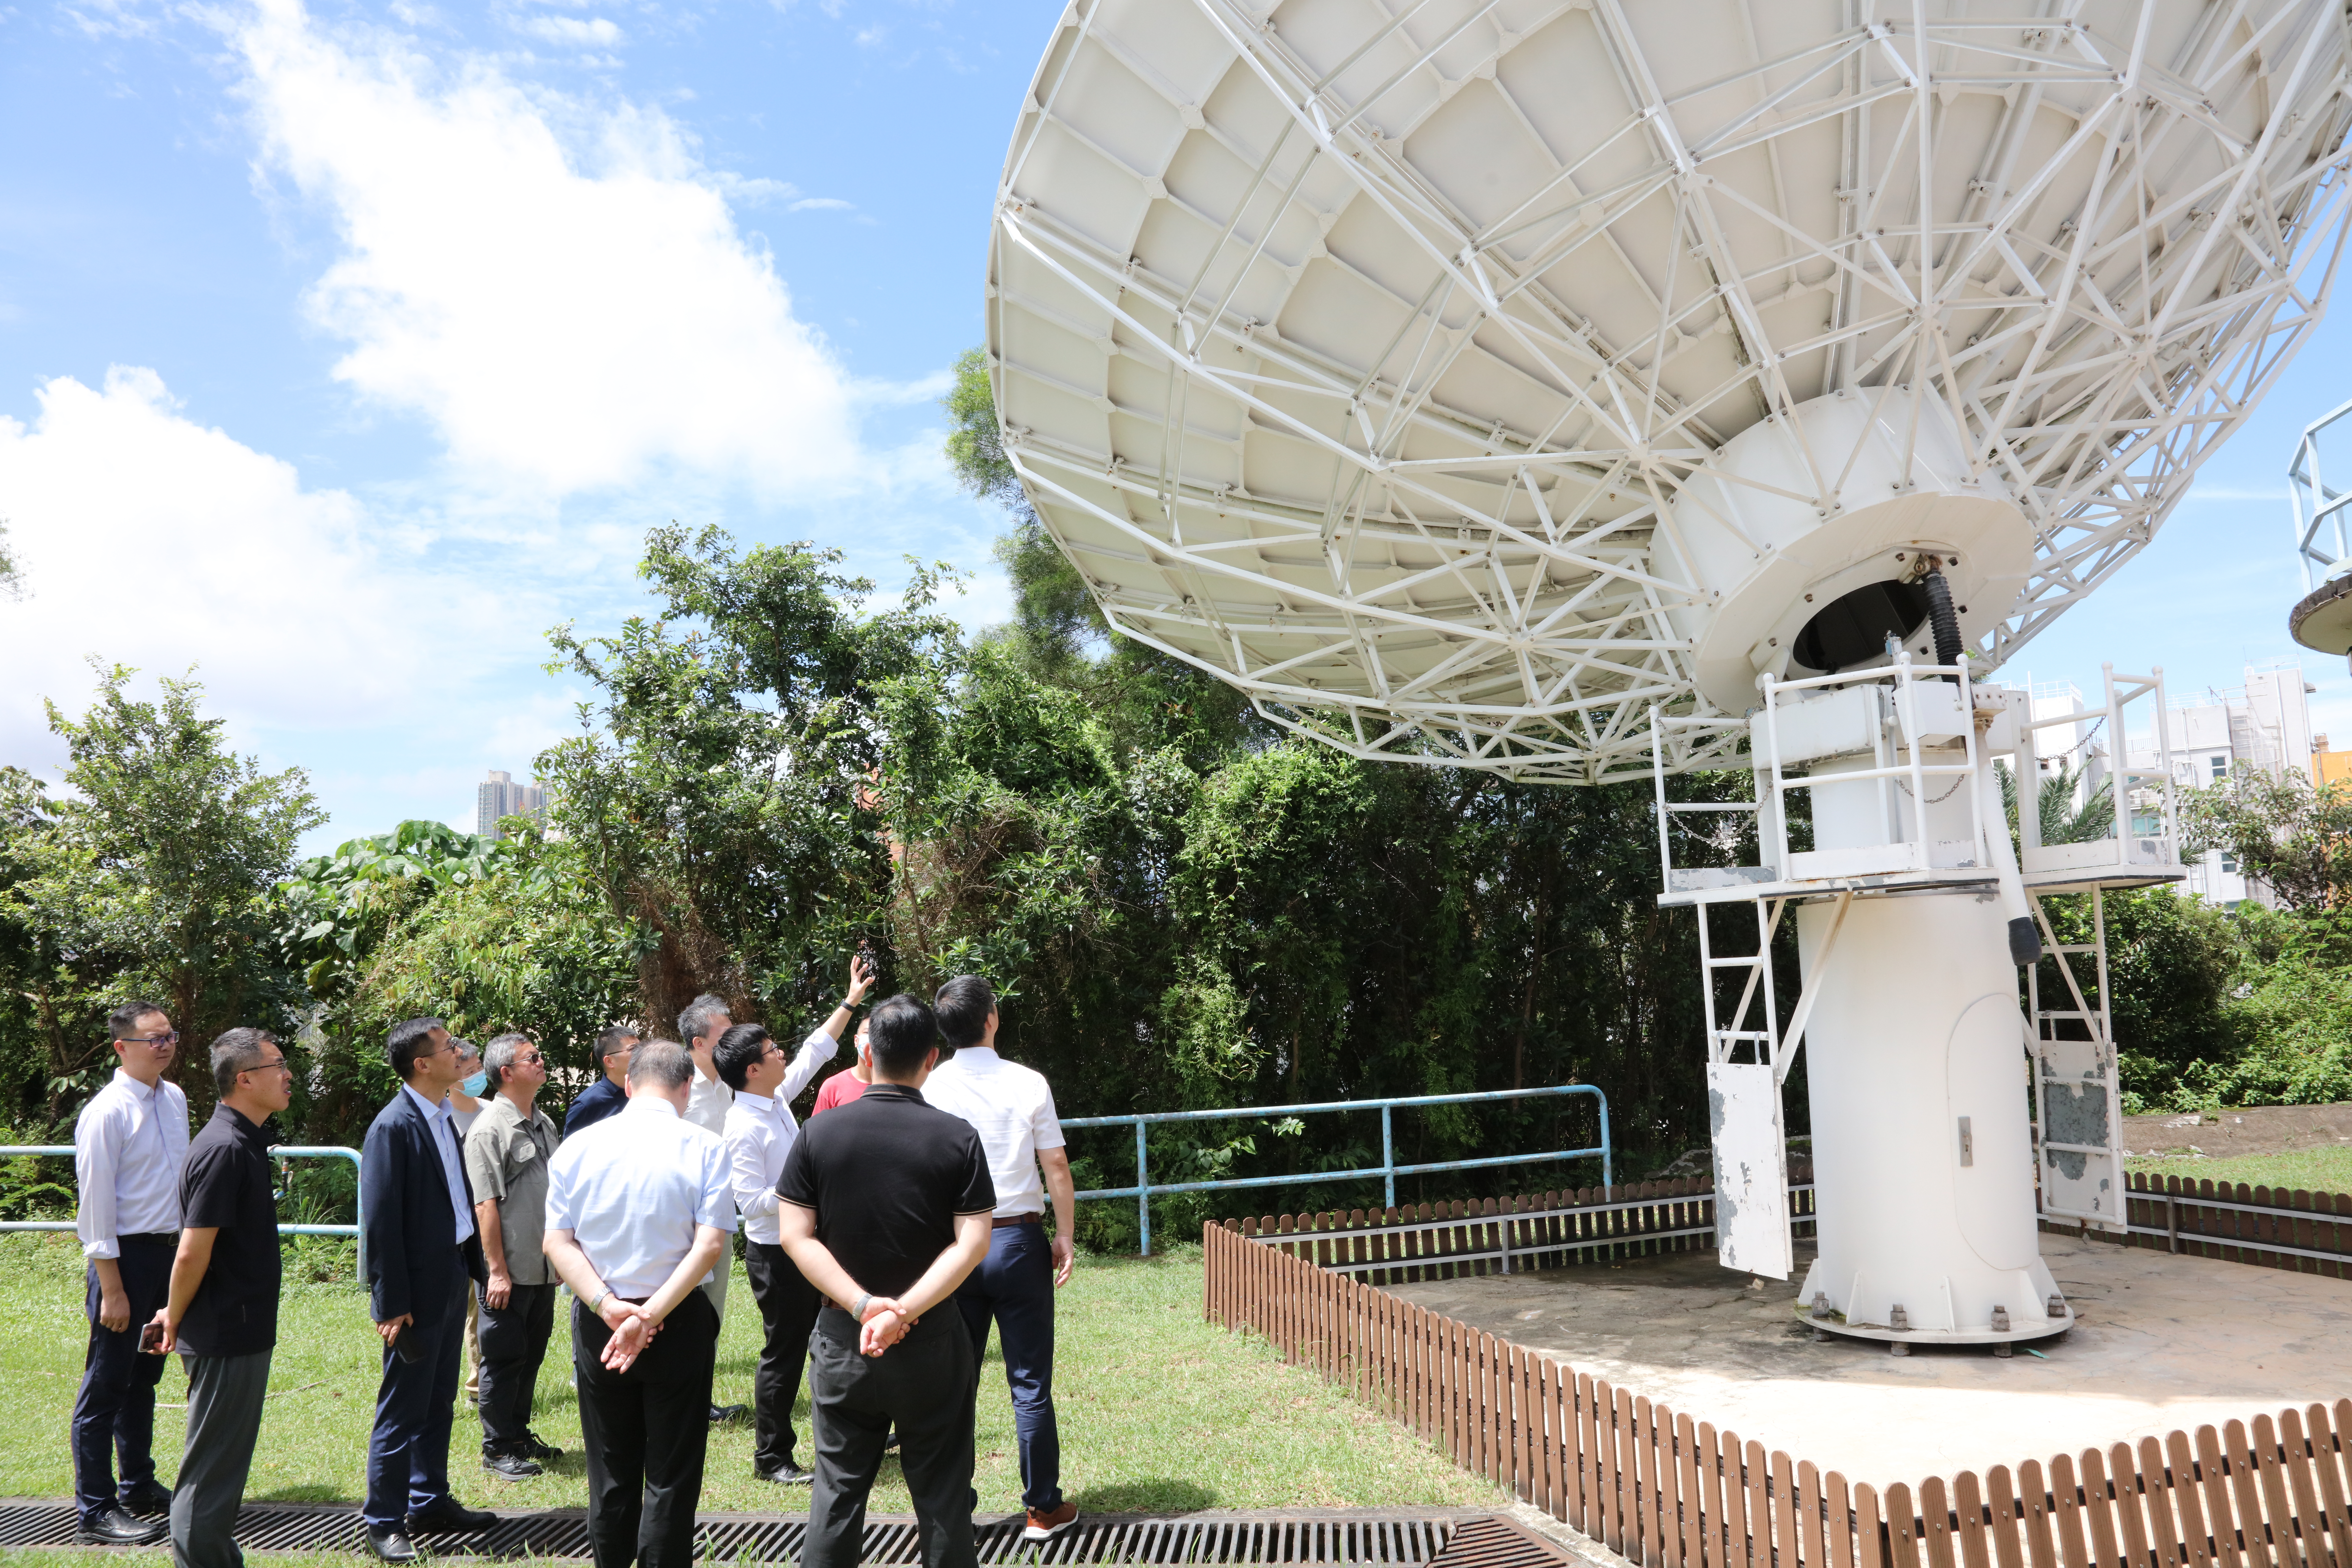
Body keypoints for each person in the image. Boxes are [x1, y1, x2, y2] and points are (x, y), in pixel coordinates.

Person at [778, 993, 997, 1568]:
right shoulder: (958, 1138)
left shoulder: (816, 1135)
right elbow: (973, 1242)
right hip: (932, 1345)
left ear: (868, 1053)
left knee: (837, 1495)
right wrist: (902, 1310)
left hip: (843, 1340)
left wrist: (863, 1305)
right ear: (932, 1057)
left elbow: (796, 1237)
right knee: (943, 1497)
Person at [542, 1041, 734, 1568]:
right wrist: (652, 1314)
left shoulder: (577, 1148)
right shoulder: (705, 1146)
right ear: (687, 1088)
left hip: (601, 1321)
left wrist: (609, 1307)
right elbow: (710, 1244)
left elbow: (558, 1243)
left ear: (629, 1085)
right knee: (672, 1472)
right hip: (677, 1317)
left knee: (610, 1469)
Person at [923, 976, 1080, 1543]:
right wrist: (1064, 1234)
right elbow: (1056, 1166)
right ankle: (1043, 1507)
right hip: (1018, 1240)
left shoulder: (933, 1085)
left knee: (953, 1382)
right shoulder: (1028, 1082)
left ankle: (955, 1505)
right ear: (991, 1017)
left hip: (954, 1247)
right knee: (1030, 1382)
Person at [715, 951, 874, 1486]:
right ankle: (771, 1457)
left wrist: (850, 1001)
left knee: (836, 1335)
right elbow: (749, 1200)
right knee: (783, 1354)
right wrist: (803, 1191)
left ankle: (863, 1428)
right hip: (776, 1255)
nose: (783, 1053)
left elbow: (814, 1051)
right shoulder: (742, 1125)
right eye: (772, 1050)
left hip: (803, 1243)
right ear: (752, 1070)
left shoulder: (776, 1098)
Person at [151, 1028, 292, 1568]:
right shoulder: (224, 1149)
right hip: (226, 1332)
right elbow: (192, 1251)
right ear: (245, 1078)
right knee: (211, 1471)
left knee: (221, 1468)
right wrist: (174, 1314)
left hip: (241, 1328)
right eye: (278, 1065)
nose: (287, 1075)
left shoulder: (244, 1142)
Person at [360, 1018, 496, 1562]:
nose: (459, 1053)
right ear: (422, 1063)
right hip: (414, 1292)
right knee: (403, 1405)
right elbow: (381, 1223)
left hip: (450, 1274)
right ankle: (385, 1520)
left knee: (439, 1399)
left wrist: (474, 1266)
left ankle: (429, 1499)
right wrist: (391, 1303)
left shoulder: (442, 1114)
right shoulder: (393, 1127)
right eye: (448, 1048)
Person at [70, 1000, 189, 1545]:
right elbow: (95, 1207)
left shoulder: (175, 1099)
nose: (165, 1045)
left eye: (169, 1036)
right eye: (153, 1039)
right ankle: (95, 1509)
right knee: (107, 1382)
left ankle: (138, 1483)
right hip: (126, 1259)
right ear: (123, 1047)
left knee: (145, 1376)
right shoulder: (107, 1110)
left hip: (168, 1256)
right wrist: (112, 1288)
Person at [462, 1034, 564, 1480]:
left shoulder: (542, 1122)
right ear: (507, 1072)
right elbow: (485, 1205)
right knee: (502, 1359)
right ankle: (496, 1447)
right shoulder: (488, 1128)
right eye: (533, 1058)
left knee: (531, 1355)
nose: (543, 1063)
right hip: (509, 1272)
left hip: (542, 1267)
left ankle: (519, 1434)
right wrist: (496, 1272)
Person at [677, 993, 746, 1424]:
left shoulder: (730, 1083)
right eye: (725, 1035)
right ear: (699, 1043)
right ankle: (681, 1397)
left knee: (712, 1309)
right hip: (682, 1219)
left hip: (719, 1215)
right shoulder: (677, 1083)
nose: (734, 1042)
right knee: (683, 1307)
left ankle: (701, 1397)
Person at [448, 1040, 488, 1413]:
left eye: (480, 1068)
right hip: (458, 1231)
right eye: (470, 1070)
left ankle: (485, 1383)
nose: (478, 1076)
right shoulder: (441, 1118)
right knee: (465, 1308)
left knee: (486, 1307)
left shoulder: (493, 1112)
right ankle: (472, 1385)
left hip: (493, 1223)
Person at [566, 1026, 638, 1136]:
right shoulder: (587, 1104)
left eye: (642, 1048)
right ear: (609, 1061)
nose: (641, 1054)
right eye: (634, 1050)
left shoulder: (646, 1092)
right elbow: (571, 1150)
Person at [808, 1018, 872, 1116]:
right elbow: (818, 1130)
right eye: (867, 1033)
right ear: (856, 1040)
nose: (871, 1038)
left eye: (877, 1033)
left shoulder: (897, 1086)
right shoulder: (832, 1087)